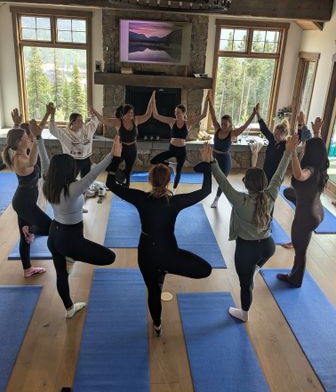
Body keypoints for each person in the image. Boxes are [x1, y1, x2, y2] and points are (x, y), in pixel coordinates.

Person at [106, 137, 212, 336]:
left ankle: (157, 325)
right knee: (205, 269)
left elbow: (111, 184)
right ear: (169, 181)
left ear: (149, 180)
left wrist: (116, 158)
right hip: (169, 254)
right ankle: (164, 269)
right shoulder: (175, 202)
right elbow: (206, 190)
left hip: (146, 254)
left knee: (153, 291)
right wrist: (208, 164)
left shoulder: (140, 198)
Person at [31, 120, 117, 318]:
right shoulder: (73, 189)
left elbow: (45, 161)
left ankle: (69, 309)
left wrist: (39, 138)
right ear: (70, 171)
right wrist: (113, 154)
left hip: (54, 235)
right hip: (70, 239)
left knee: (62, 274)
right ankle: (72, 255)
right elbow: (94, 173)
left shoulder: (48, 183)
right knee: (109, 257)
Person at [210, 136, 294, 321]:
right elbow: (279, 175)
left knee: (245, 284)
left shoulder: (241, 201)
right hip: (268, 247)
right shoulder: (270, 194)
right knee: (253, 270)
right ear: (264, 183)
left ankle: (244, 314)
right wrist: (288, 151)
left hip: (246, 250)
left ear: (247, 183)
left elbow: (222, 182)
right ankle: (255, 269)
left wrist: (211, 161)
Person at [277, 118, 328, 287]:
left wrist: (291, 152)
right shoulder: (320, 166)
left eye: (306, 147)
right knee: (288, 192)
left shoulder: (310, 169)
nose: (303, 148)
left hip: (306, 216)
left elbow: (300, 176)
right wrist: (317, 133)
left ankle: (295, 279)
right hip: (318, 210)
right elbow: (319, 146)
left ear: (310, 153)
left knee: (300, 251)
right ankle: (300, 238)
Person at [2, 127, 51, 277]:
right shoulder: (20, 159)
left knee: (24, 238)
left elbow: (31, 153)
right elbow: (32, 161)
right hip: (24, 203)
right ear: (19, 142)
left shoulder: (20, 153)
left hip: (23, 201)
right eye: (26, 137)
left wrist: (36, 132)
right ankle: (30, 230)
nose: (28, 139)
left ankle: (27, 269)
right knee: (49, 228)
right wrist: (37, 139)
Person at [150, 91, 209, 193]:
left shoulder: (188, 123)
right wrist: (153, 102)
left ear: (183, 113)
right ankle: (171, 165)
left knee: (179, 172)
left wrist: (207, 99)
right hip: (172, 149)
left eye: (178, 112)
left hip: (182, 151)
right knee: (154, 161)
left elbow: (203, 115)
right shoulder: (171, 121)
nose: (176, 114)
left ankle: (174, 190)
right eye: (175, 112)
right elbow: (156, 115)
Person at [92, 92, 154, 187]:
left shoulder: (136, 120)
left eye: (132, 112)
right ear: (123, 114)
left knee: (128, 171)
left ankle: (126, 188)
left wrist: (152, 101)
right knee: (111, 167)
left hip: (132, 149)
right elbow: (104, 120)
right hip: (121, 149)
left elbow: (148, 114)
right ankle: (118, 179)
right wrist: (94, 111)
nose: (132, 114)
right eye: (129, 112)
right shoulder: (118, 122)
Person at [208, 91, 258, 208]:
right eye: (222, 123)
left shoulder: (232, 133)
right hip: (214, 157)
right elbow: (213, 114)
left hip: (225, 160)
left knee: (222, 181)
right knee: (209, 174)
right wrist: (210, 100)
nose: (223, 125)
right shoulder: (217, 129)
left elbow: (244, 126)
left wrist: (253, 114)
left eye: (226, 123)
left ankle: (217, 199)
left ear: (230, 124)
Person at [256, 106, 312, 183]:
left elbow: (297, 139)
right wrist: (258, 114)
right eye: (275, 133)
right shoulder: (272, 139)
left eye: (278, 134)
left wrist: (300, 124)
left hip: (277, 175)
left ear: (285, 134)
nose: (275, 136)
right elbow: (264, 128)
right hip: (266, 171)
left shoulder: (286, 145)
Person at [48, 103, 99, 178]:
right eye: (79, 121)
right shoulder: (65, 133)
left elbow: (94, 122)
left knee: (86, 179)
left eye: (82, 120)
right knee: (70, 180)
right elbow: (53, 129)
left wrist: (92, 113)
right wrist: (52, 115)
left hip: (86, 159)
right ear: (72, 122)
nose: (82, 123)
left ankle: (84, 190)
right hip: (73, 161)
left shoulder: (86, 129)